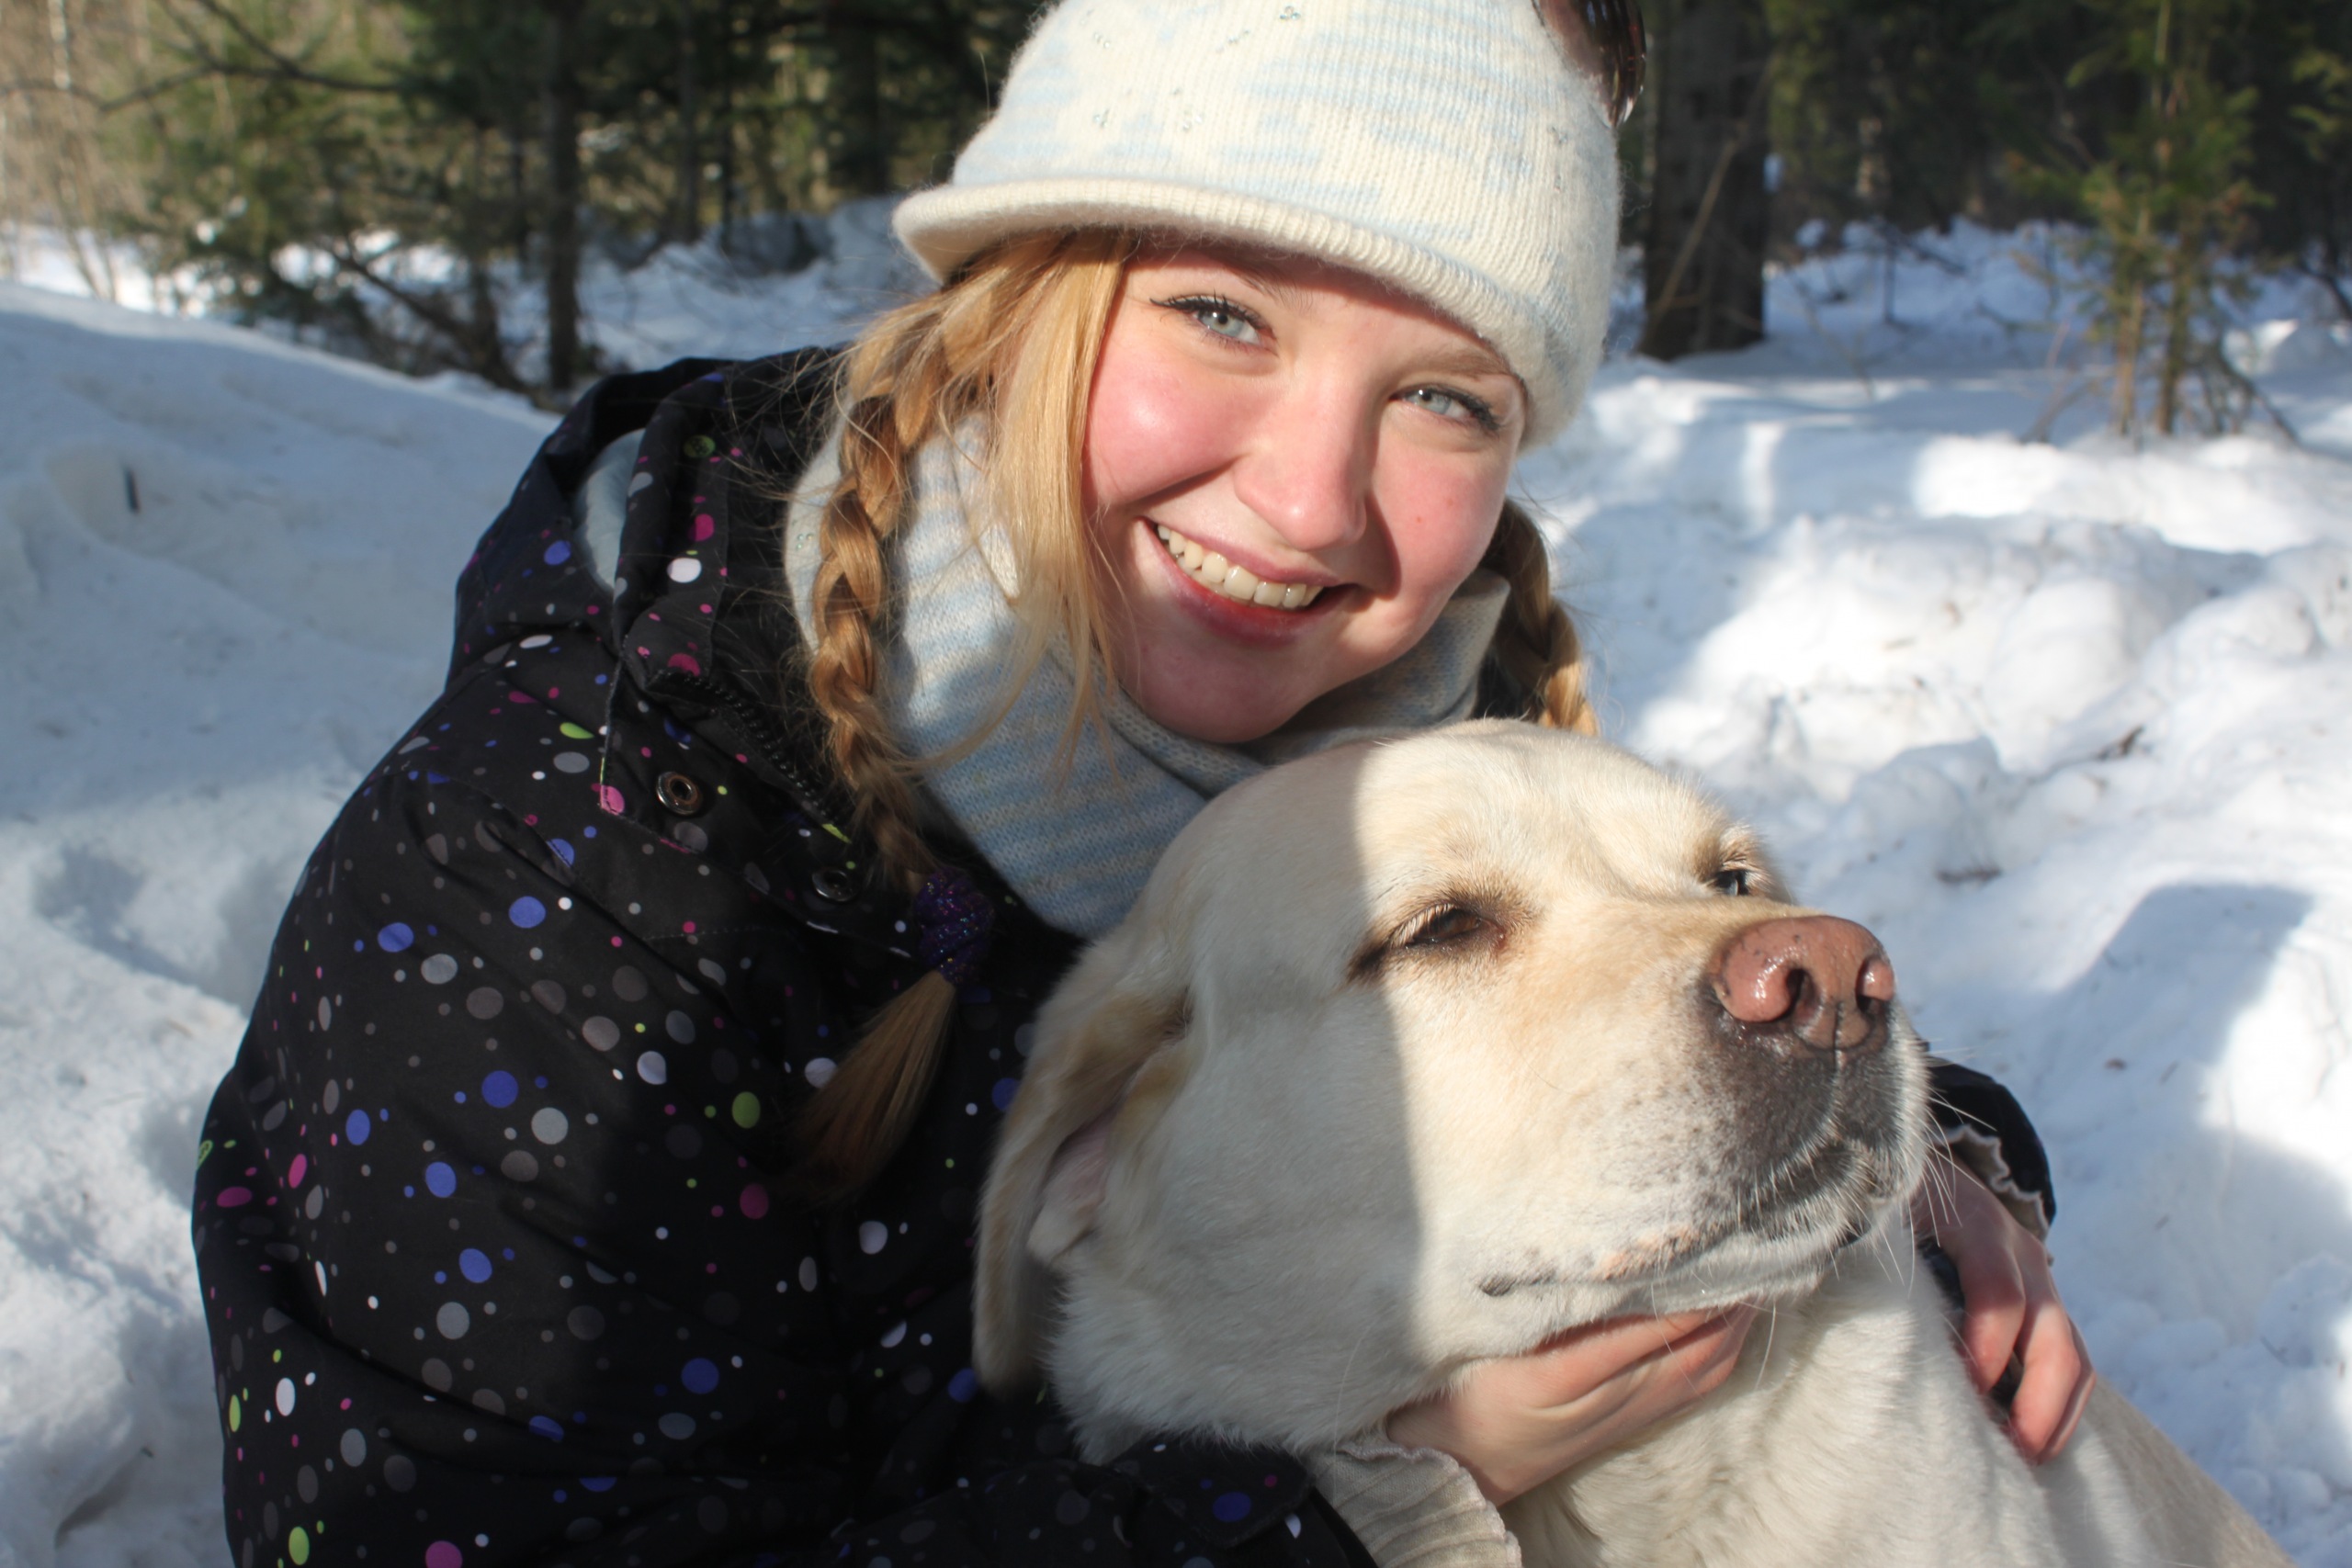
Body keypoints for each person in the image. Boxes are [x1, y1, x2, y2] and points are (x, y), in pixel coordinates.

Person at [192, 1, 2090, 1563]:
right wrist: (1365, 1500)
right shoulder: (561, 865)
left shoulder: (1427, 691)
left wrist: (1898, 1144)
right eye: (1224, 315)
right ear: (1022, 298)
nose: (1312, 502)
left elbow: (1634, 986)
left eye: (1446, 397)